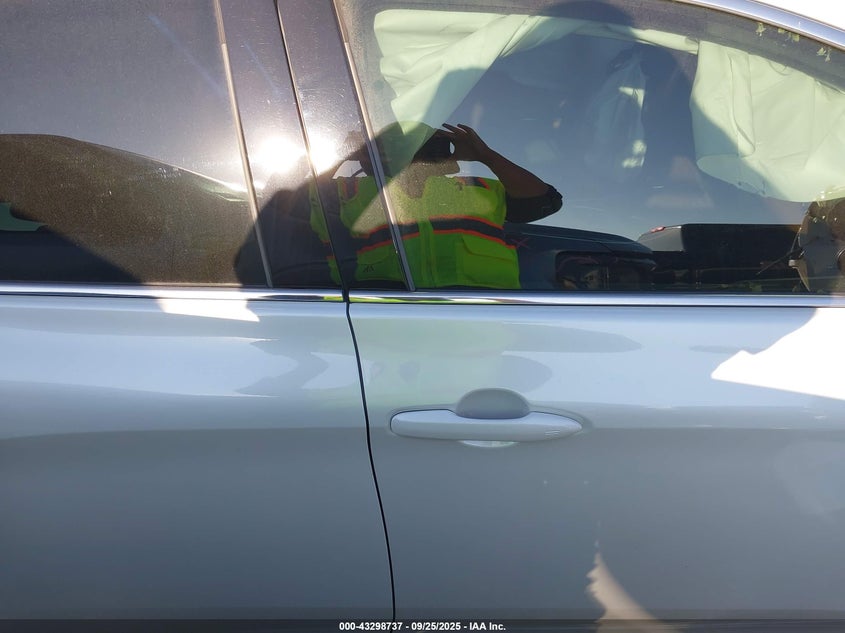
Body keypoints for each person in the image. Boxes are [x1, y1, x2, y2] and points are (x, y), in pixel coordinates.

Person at [312, 123, 562, 289]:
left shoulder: (479, 189)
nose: (436, 149)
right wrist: (347, 152)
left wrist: (486, 156)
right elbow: (297, 199)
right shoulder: (349, 191)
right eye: (421, 143)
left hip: (484, 314)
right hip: (391, 312)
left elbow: (545, 200)